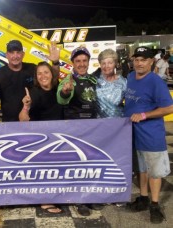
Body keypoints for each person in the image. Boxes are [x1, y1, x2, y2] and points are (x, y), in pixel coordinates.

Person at [124, 46, 173, 224]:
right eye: (136, 59)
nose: (139, 63)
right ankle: (143, 198)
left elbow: (169, 107)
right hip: (134, 134)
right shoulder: (130, 77)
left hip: (151, 134)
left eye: (143, 59)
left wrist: (145, 115)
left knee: (155, 171)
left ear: (151, 61)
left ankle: (154, 204)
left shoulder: (156, 82)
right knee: (141, 169)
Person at [56, 46, 102, 216]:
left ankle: (90, 196)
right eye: (78, 61)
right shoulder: (67, 80)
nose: (81, 64)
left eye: (84, 61)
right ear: (73, 63)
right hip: (74, 130)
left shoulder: (95, 80)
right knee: (77, 165)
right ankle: (79, 199)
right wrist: (65, 91)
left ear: (88, 62)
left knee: (91, 164)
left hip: (93, 128)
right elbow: (61, 98)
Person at [19, 61, 64, 215]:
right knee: (45, 172)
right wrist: (26, 106)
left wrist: (56, 61)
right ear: (36, 78)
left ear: (52, 75)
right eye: (39, 73)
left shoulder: (59, 88)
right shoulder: (33, 93)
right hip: (42, 140)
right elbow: (23, 119)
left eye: (46, 72)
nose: (43, 76)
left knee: (59, 171)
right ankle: (45, 201)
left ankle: (58, 195)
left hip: (60, 136)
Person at [0, 39, 60, 121]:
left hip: (32, 120)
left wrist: (55, 62)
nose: (15, 56)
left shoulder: (32, 68)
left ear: (23, 54)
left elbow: (52, 79)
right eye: (12, 53)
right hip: (10, 123)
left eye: (18, 52)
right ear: (6, 55)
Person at [96, 48, 126, 118]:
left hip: (118, 123)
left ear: (115, 63)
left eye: (110, 63)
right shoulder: (94, 81)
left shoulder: (123, 82)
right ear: (100, 64)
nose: (106, 66)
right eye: (103, 63)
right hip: (98, 124)